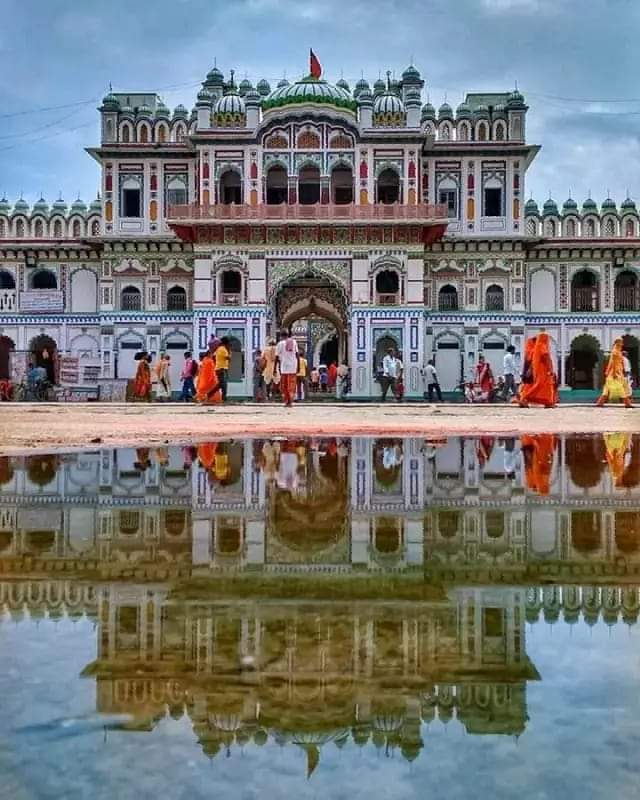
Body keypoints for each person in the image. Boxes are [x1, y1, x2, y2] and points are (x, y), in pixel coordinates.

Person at [519, 332, 557, 408]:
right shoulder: (542, 346)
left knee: (545, 387)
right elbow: (546, 358)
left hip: (538, 370)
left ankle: (548, 402)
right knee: (540, 386)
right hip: (543, 371)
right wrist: (550, 369)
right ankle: (524, 398)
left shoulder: (536, 348)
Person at [597, 337, 634, 408]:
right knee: (621, 388)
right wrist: (614, 373)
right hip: (615, 374)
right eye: (621, 342)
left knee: (606, 390)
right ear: (617, 342)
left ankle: (600, 403)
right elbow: (613, 363)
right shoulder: (615, 351)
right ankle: (627, 404)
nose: (622, 343)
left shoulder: (618, 351)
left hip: (616, 373)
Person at [275, 329, 299, 408]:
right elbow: (297, 355)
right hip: (293, 366)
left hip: (284, 367)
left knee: (284, 385)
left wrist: (275, 368)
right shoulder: (293, 342)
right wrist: (298, 366)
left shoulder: (280, 344)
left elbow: (277, 357)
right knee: (291, 385)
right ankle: (290, 401)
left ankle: (287, 401)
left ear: (281, 336)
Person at [215, 336, 231, 401]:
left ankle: (209, 394)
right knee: (223, 384)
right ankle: (224, 398)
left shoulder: (220, 348)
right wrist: (229, 350)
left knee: (220, 384)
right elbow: (228, 358)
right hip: (222, 368)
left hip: (220, 368)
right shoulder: (223, 349)